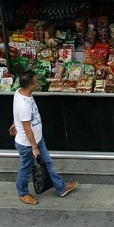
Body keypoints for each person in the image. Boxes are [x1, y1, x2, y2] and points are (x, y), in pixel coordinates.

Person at [8, 70, 77, 205]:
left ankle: (61, 188)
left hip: (37, 138)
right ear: (30, 86)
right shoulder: (24, 105)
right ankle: (22, 193)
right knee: (25, 168)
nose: (38, 83)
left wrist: (15, 123)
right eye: (36, 82)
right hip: (27, 144)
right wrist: (34, 147)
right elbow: (27, 128)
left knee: (48, 163)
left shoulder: (19, 92)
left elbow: (20, 117)